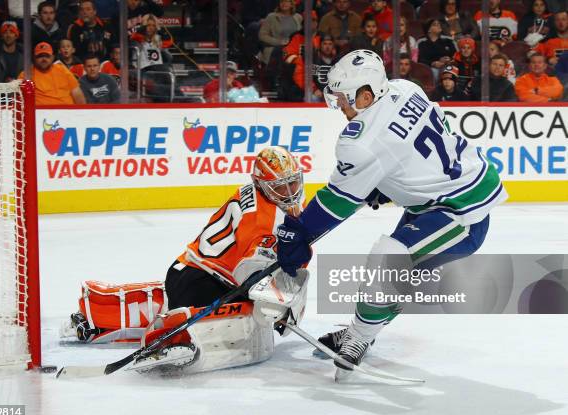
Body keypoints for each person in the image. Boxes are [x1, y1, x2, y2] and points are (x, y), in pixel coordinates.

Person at [274, 50, 506, 381]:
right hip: (445, 195)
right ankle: (360, 331)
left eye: (343, 97)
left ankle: (358, 338)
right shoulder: (404, 88)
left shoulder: (360, 141)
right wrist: (384, 182)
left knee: (388, 260)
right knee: (396, 277)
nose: (339, 104)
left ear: (366, 94)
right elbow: (419, 140)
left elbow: (338, 201)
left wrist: (300, 230)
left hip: (460, 213)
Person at [65, 147, 309, 374]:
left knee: (252, 308)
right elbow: (249, 275)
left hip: (192, 271)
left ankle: (98, 313)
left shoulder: (277, 200)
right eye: (279, 187)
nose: (289, 192)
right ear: (260, 184)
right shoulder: (259, 220)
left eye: (292, 182)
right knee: (250, 312)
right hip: (200, 279)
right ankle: (173, 337)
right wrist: (280, 304)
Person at [18, 42, 86, 106]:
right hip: (40, 115)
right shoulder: (26, 75)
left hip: (66, 114)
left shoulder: (62, 70)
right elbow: (18, 99)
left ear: (52, 57)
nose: (44, 59)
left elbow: (77, 94)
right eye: (40, 56)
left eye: (47, 56)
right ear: (34, 58)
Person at [258, 0, 303, 65]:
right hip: (276, 51)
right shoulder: (271, 17)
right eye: (281, 1)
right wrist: (279, 42)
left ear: (291, 4)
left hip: (294, 51)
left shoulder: (298, 17)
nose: (284, 3)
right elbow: (262, 35)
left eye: (286, 1)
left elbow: (301, 35)